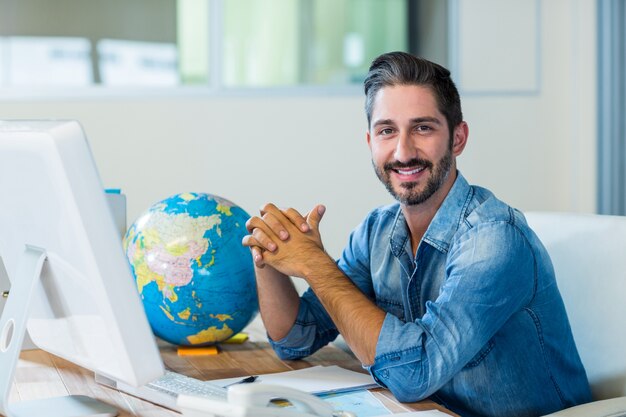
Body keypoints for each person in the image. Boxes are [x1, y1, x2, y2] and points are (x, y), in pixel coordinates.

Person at [242, 52, 591, 417]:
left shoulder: (493, 240)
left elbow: (414, 373)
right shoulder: (376, 231)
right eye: (387, 130)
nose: (403, 151)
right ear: (370, 142)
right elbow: (295, 339)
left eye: (423, 128)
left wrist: (315, 264)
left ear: (458, 138)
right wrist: (268, 250)